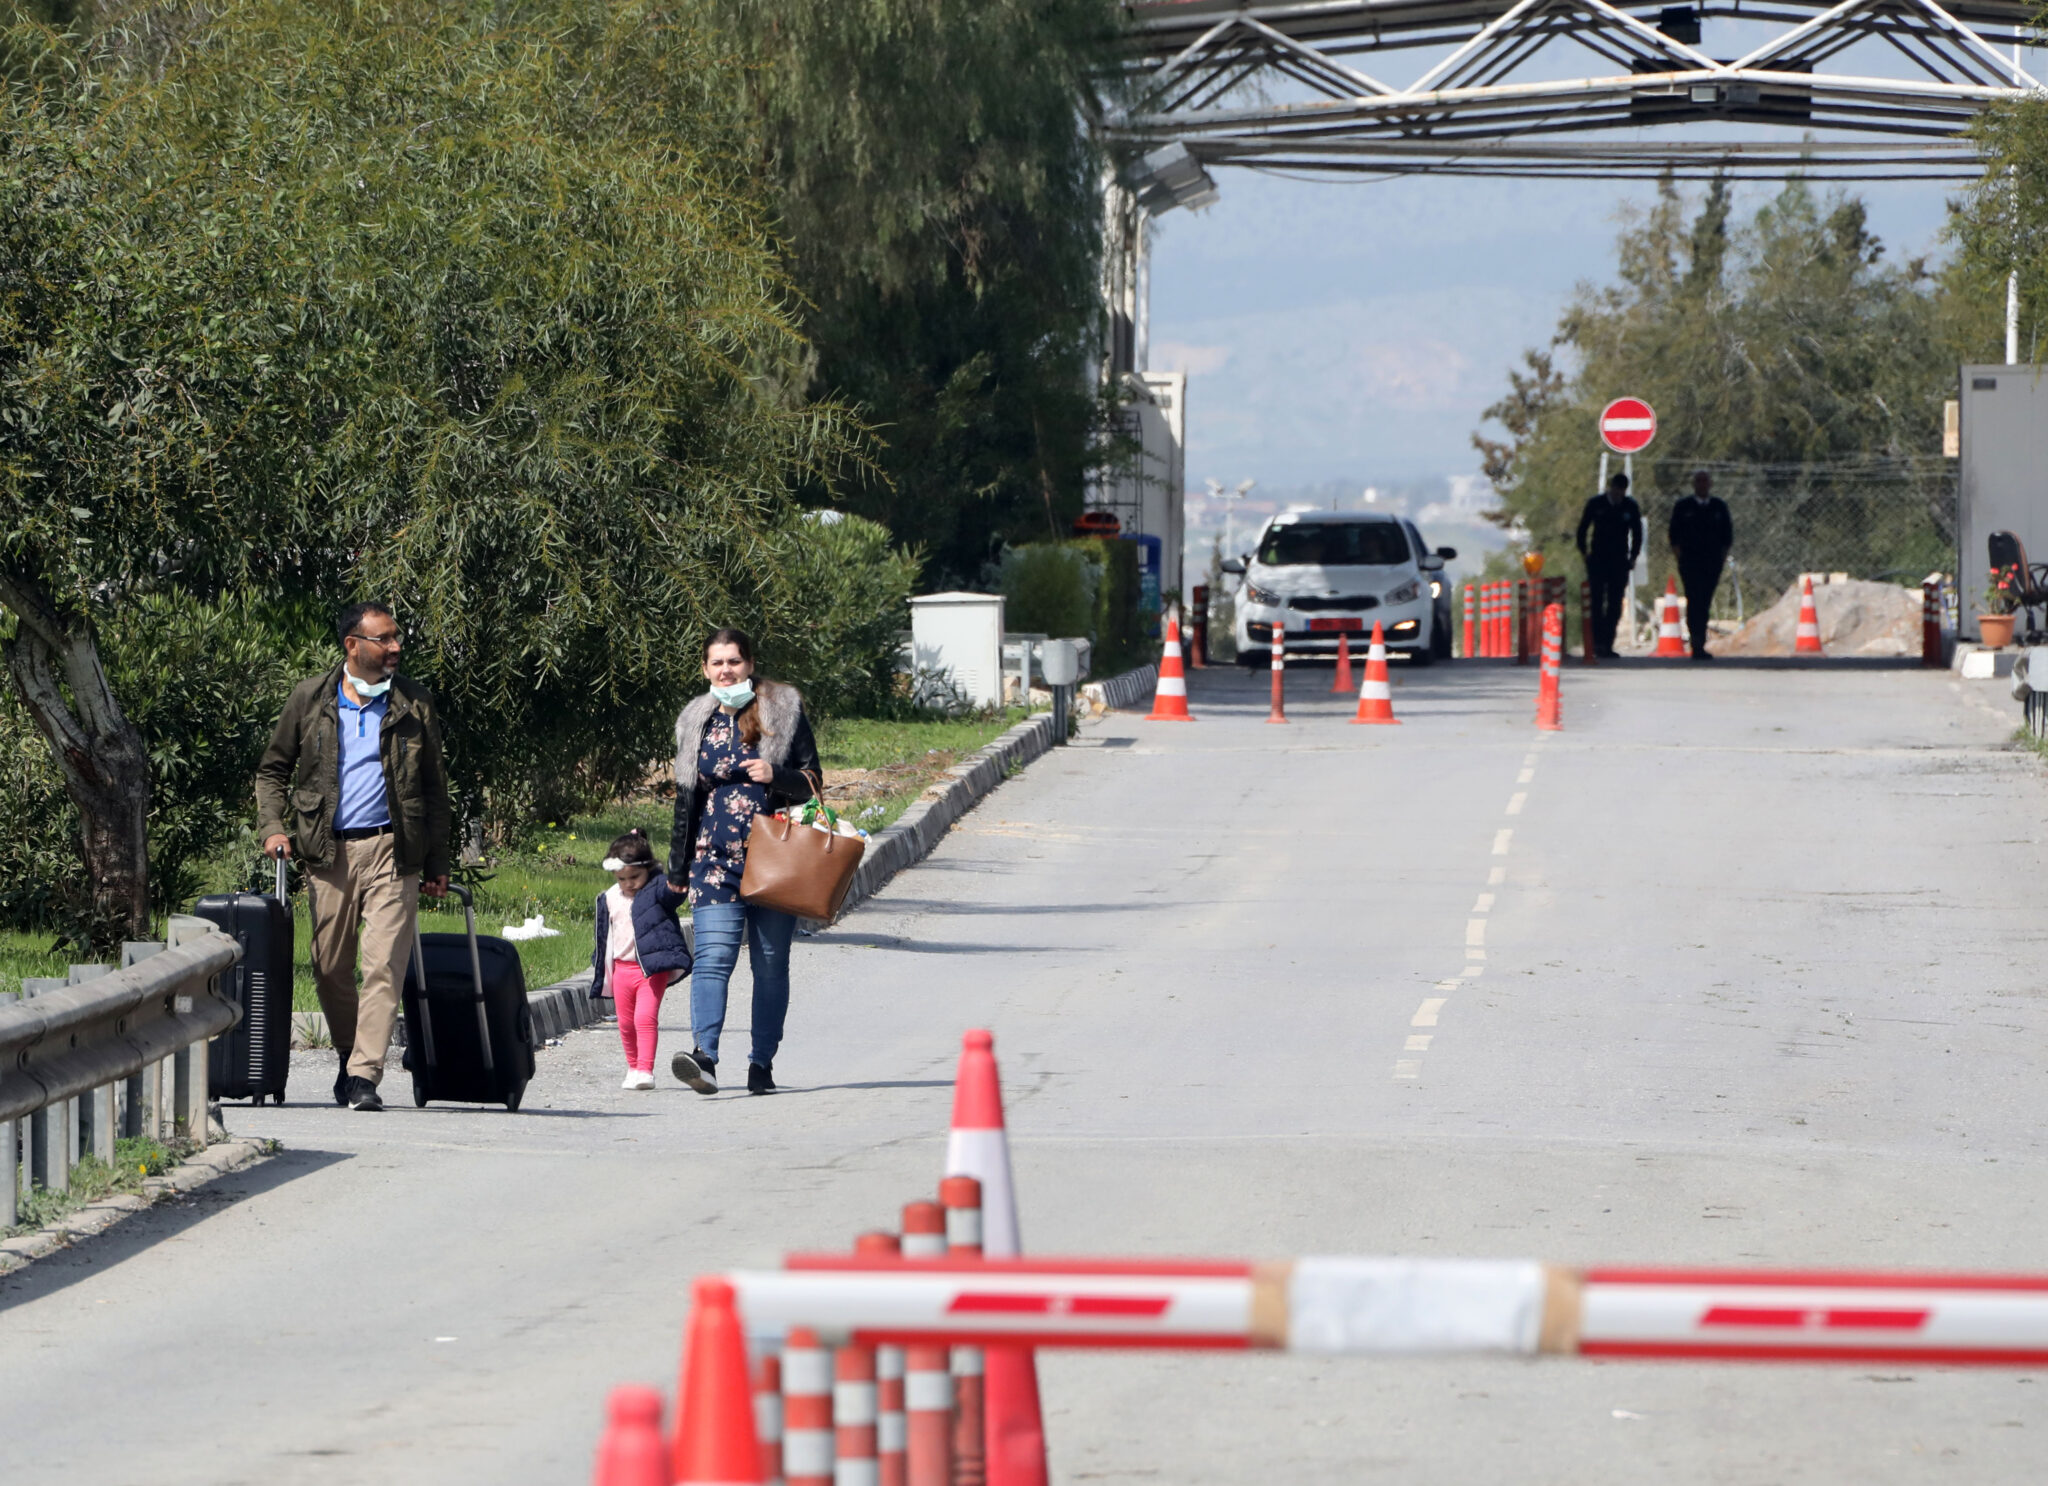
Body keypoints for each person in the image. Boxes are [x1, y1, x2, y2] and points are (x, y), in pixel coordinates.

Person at [255, 602, 450, 1111]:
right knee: (328, 966)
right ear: (353, 645)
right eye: (384, 639)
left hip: (394, 847)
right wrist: (273, 828)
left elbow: (434, 790)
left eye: (396, 637)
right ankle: (348, 1055)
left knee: (383, 962)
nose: (395, 648)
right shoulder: (310, 699)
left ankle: (365, 1075)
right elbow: (273, 770)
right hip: (328, 850)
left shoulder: (414, 702)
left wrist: (437, 863)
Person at [665, 628, 822, 1097]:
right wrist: (677, 869)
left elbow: (815, 780)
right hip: (713, 862)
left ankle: (762, 1064)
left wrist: (779, 775)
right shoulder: (697, 719)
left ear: (750, 664)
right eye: (717, 663)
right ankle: (704, 1058)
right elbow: (685, 800)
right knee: (713, 959)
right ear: (705, 669)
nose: (726, 670)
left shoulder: (782, 709)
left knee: (771, 965)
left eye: (734, 661)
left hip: (775, 859)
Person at [592, 829, 692, 1090]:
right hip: (621, 969)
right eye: (622, 878)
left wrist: (677, 878)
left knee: (644, 1018)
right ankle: (633, 1066)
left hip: (650, 967)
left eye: (635, 876)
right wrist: (600, 961)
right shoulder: (609, 897)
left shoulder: (657, 888)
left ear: (649, 868)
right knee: (625, 1023)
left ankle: (646, 1070)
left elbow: (673, 895)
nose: (629, 883)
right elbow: (605, 934)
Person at [1575, 472, 1643, 658]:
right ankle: (1596, 642)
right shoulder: (1596, 504)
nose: (1618, 494)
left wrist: (1633, 558)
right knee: (1596, 601)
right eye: (1616, 490)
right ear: (1611, 488)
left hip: (1619, 561)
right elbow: (1582, 530)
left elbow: (1637, 534)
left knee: (1615, 603)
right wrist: (1585, 554)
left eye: (1621, 491)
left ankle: (1607, 643)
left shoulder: (1630, 506)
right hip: (1598, 560)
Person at [1668, 470, 1735, 660]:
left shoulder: (1718, 507)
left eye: (1705, 481)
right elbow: (1674, 535)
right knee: (1694, 600)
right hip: (1690, 562)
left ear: (1710, 484)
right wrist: (1680, 557)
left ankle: (1700, 642)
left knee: (1704, 601)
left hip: (1711, 563)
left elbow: (1727, 536)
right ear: (1694, 484)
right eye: (1698, 481)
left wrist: (1720, 559)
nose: (1702, 485)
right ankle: (1695, 641)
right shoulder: (1683, 507)